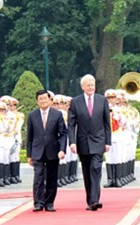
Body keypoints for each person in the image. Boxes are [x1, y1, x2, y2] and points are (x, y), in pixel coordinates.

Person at [68, 74, 111, 211]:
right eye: (88, 85)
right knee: (87, 171)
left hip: (99, 140)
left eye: (92, 85)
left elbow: (106, 123)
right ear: (82, 87)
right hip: (83, 141)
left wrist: (108, 141)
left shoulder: (102, 100)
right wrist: (72, 142)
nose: (91, 87)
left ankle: (94, 200)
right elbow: (71, 124)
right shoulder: (75, 102)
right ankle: (90, 200)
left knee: (95, 168)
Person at [26, 89, 67, 212]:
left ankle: (49, 202)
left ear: (50, 100)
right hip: (37, 151)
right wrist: (29, 155)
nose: (43, 101)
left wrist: (62, 149)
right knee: (38, 177)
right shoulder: (32, 115)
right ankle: (38, 202)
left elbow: (63, 133)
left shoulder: (57, 114)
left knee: (51, 177)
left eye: (45, 98)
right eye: (40, 99)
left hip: (53, 150)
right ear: (37, 101)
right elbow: (29, 136)